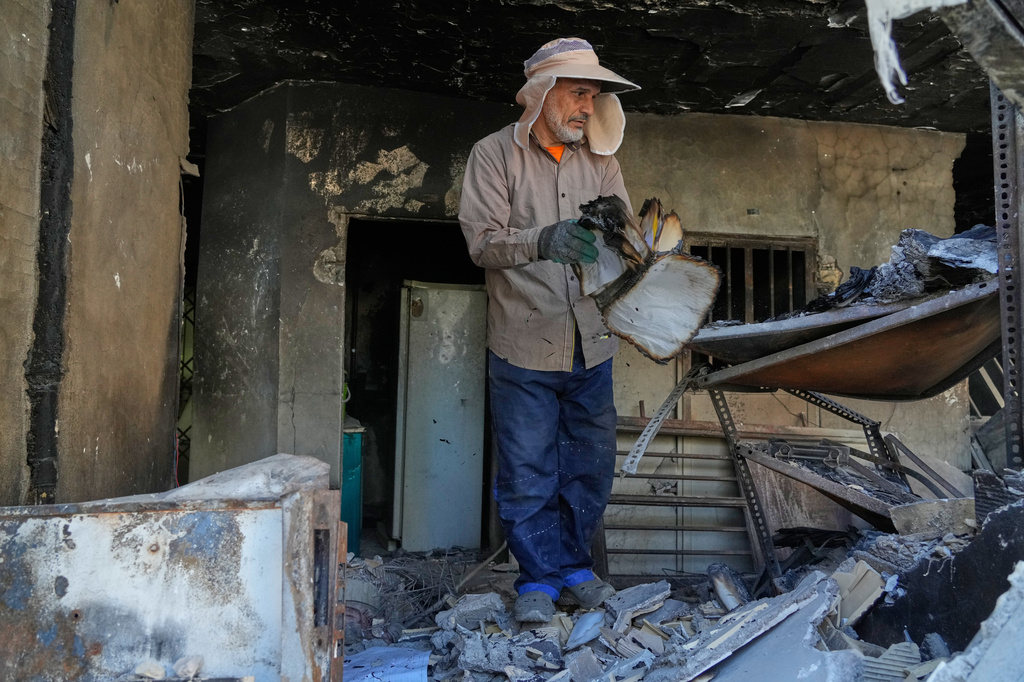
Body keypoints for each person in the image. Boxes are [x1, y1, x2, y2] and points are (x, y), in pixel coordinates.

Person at [458, 37, 640, 622]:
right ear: (543, 96)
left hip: (594, 340)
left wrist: (647, 248)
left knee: (588, 465)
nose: (588, 107)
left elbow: (629, 241)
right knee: (527, 469)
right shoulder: (492, 155)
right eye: (579, 92)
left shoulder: (603, 162)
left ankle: (576, 570)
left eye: (594, 95)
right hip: (523, 343)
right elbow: (482, 243)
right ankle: (537, 580)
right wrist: (543, 240)